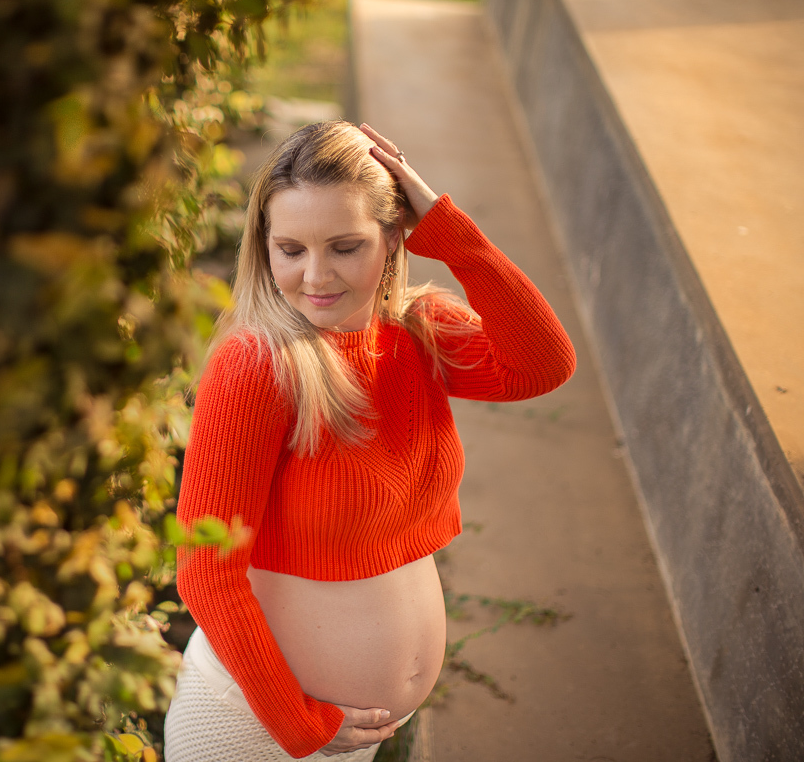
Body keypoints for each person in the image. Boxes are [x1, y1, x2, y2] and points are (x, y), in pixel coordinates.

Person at [162, 120, 576, 761]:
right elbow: (205, 570)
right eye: (290, 249)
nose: (315, 275)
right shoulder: (257, 365)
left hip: (353, 734)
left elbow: (543, 365)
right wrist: (299, 724)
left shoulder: (419, 331)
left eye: (345, 247)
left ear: (393, 235)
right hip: (253, 726)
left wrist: (452, 234)